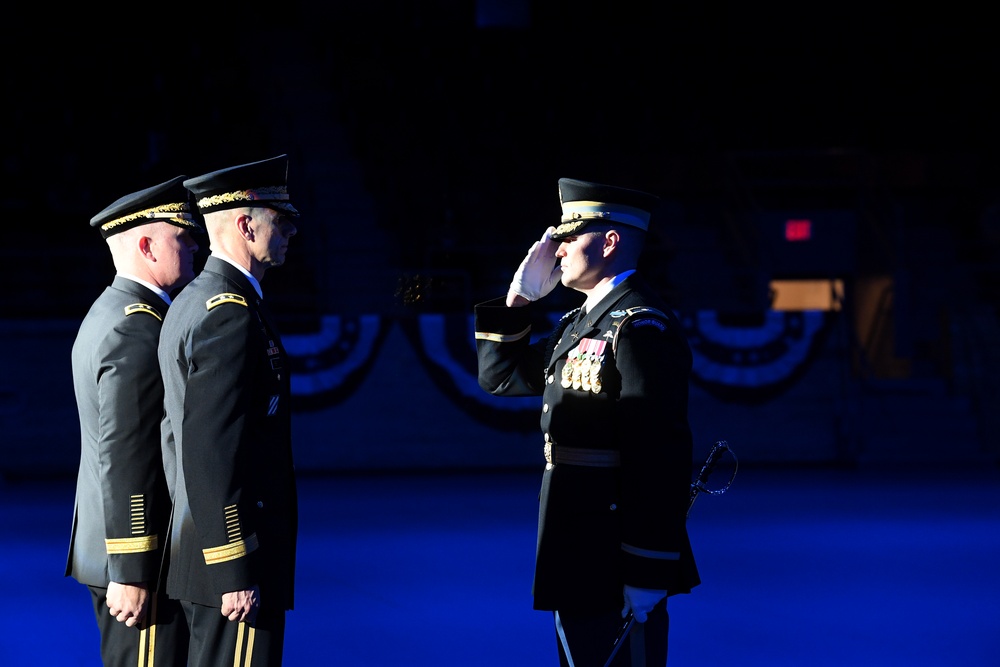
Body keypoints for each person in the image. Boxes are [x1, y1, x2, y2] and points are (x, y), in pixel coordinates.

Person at [474, 178, 700, 666]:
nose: (556, 251)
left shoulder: (640, 327)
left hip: (615, 555)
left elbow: (658, 455)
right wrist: (519, 300)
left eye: (569, 237)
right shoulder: (579, 324)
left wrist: (647, 569)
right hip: (572, 544)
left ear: (610, 242)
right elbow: (500, 377)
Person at [157, 154, 300, 667]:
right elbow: (211, 451)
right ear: (245, 224)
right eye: (282, 224)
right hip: (234, 559)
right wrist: (234, 567)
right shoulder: (229, 312)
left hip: (211, 552)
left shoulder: (199, 299)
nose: (290, 235)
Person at [66, 175, 202, 667]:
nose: (194, 247)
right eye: (182, 238)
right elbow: (126, 454)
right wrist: (132, 568)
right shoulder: (137, 328)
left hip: (126, 551)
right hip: (138, 558)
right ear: (146, 245)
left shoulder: (113, 312)